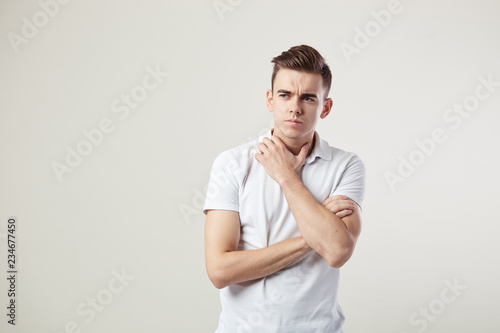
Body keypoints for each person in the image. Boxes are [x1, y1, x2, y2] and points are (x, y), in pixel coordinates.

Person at [203, 45, 366, 332]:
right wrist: (315, 237)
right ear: (270, 100)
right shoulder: (232, 163)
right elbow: (219, 270)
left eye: (308, 97)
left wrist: (286, 177)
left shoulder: (346, 165)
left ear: (325, 107)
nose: (295, 106)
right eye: (285, 95)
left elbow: (338, 251)